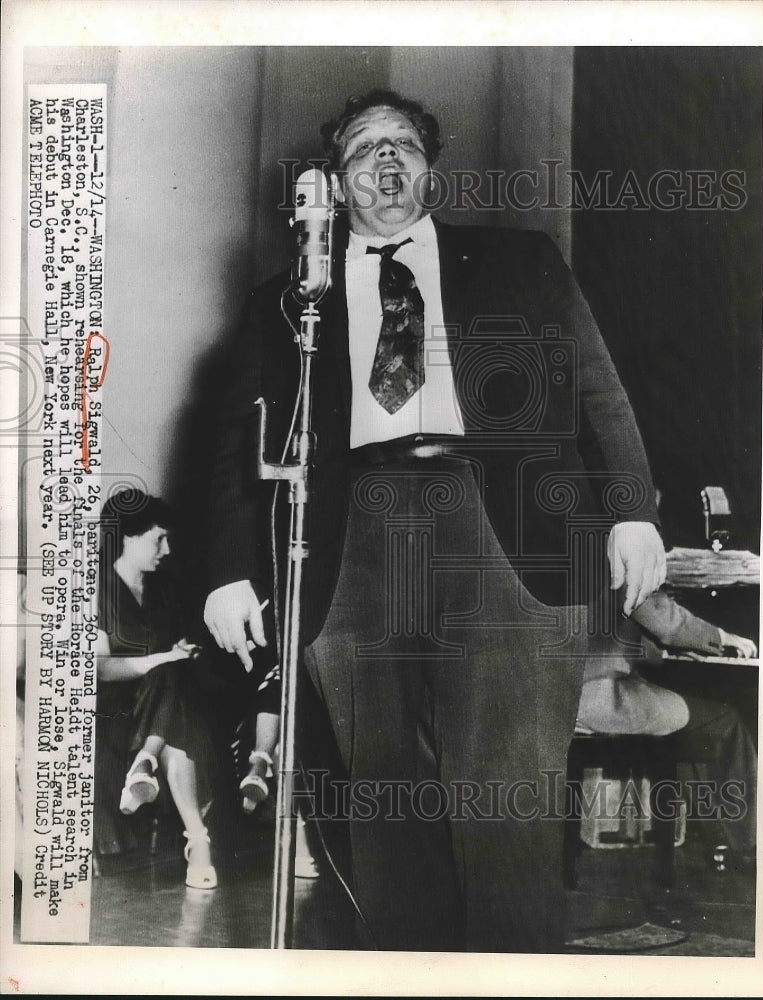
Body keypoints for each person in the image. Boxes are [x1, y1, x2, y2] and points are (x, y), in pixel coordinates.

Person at [203, 89, 666, 952]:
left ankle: (515, 968)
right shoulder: (290, 299)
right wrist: (230, 570)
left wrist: (633, 512)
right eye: (365, 149)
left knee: (509, 791)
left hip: (506, 528)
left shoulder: (518, 259)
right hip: (356, 538)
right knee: (380, 793)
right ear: (335, 184)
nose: (387, 160)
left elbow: (600, 390)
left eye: (405, 145)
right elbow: (242, 436)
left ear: (430, 166)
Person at [577, 585, 757, 856]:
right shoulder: (622, 546)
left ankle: (718, 833)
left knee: (687, 713)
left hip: (557, 694)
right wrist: (721, 637)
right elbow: (661, 618)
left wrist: (669, 652)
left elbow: (610, 622)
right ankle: (744, 844)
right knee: (722, 719)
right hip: (599, 700)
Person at [96, 489, 218, 889]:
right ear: (127, 537)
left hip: (163, 707)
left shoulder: (165, 588)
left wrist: (179, 653)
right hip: (116, 711)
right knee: (174, 689)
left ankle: (146, 763)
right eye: (158, 539)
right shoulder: (93, 588)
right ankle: (197, 844)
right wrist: (161, 660)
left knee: (176, 682)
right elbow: (99, 669)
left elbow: (174, 655)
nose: (167, 549)